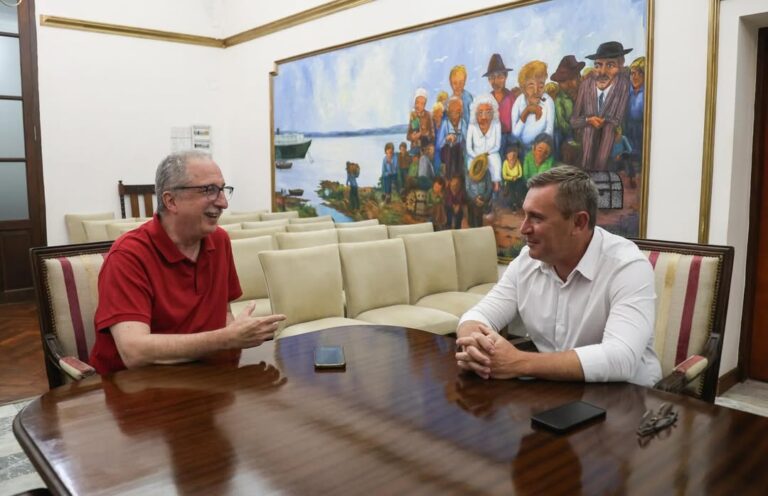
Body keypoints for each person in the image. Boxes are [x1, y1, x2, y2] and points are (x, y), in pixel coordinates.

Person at [455, 165, 661, 386]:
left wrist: (518, 362)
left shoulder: (628, 267)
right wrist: (475, 345)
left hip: (629, 400)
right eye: (524, 215)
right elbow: (479, 315)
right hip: (555, 390)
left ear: (578, 222)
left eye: (536, 218)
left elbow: (621, 358)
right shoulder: (526, 261)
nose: (523, 228)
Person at [89, 151, 286, 374]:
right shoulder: (128, 255)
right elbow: (134, 352)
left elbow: (222, 315)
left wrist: (242, 332)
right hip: (133, 389)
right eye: (209, 190)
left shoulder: (219, 241)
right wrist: (226, 338)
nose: (223, 203)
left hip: (201, 377)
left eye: (223, 190)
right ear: (171, 201)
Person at [571, 41, 632, 171]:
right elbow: (574, 121)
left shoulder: (624, 86)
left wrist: (606, 121)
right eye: (598, 65)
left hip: (610, 156)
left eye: (610, 65)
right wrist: (588, 120)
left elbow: (618, 119)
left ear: (621, 65)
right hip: (586, 154)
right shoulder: (586, 86)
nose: (602, 72)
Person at [510, 60, 555, 154]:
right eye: (531, 85)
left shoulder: (548, 101)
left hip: (542, 149)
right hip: (522, 149)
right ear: (523, 87)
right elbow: (515, 134)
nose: (536, 91)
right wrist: (526, 112)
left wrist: (539, 148)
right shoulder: (519, 102)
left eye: (541, 86)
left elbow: (549, 131)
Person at [550, 55, 585, 162]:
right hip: (567, 133)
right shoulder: (559, 99)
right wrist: (574, 129)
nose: (569, 84)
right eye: (564, 81)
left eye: (572, 79)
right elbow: (562, 123)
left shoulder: (586, 93)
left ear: (579, 77)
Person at [466, 94, 502, 194]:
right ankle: (475, 193)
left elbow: (497, 146)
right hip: (475, 155)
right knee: (471, 166)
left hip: (490, 153)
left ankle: (496, 187)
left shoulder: (496, 124)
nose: (484, 116)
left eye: (488, 112)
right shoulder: (472, 126)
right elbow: (469, 148)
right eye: (480, 112)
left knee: (495, 160)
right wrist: (477, 156)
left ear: (493, 112)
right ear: (475, 113)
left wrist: (486, 154)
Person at [483, 53, 515, 162]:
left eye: (499, 77)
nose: (496, 81)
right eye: (492, 78)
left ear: (506, 77)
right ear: (488, 80)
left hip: (511, 139)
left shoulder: (512, 98)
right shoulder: (487, 100)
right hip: (493, 139)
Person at [406, 87, 434, 153]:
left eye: (422, 104)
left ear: (425, 105)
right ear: (414, 102)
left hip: (425, 149)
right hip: (414, 149)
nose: (419, 105)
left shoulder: (428, 115)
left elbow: (432, 136)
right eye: (417, 102)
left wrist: (422, 134)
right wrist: (413, 137)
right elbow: (408, 136)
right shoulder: (413, 116)